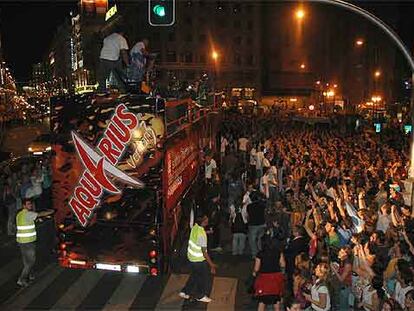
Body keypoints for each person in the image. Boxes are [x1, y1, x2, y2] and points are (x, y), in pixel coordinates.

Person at [179, 214, 217, 303]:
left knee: (195, 275)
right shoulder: (201, 234)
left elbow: (197, 237)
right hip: (199, 260)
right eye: (206, 219)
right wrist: (211, 265)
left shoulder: (195, 227)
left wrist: (207, 233)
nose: (208, 220)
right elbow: (204, 252)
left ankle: (185, 291)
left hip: (191, 258)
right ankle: (200, 295)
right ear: (203, 222)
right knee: (203, 278)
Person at [16, 198, 54, 287]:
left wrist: (36, 220)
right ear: (24, 205)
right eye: (28, 204)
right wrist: (50, 212)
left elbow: (29, 221)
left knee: (26, 261)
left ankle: (30, 275)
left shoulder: (20, 214)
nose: (30, 205)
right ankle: (22, 279)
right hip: (28, 242)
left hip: (21, 242)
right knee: (31, 262)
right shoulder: (27, 213)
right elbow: (40, 214)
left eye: (31, 204)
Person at [252, 235, 285, 311]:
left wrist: (254, 274)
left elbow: (256, 268)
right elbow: (283, 264)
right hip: (276, 277)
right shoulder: (278, 252)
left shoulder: (260, 254)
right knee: (276, 300)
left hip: (264, 279)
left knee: (262, 301)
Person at [97, 26, 129, 94]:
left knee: (102, 77)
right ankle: (123, 90)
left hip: (103, 58)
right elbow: (123, 52)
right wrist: (127, 63)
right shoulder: (121, 38)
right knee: (119, 76)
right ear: (122, 33)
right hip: (112, 59)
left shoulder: (108, 37)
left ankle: (101, 91)